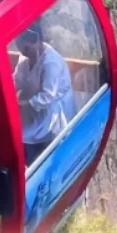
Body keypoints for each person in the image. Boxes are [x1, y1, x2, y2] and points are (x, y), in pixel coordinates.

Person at [14, 21, 75, 162]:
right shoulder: (25, 57)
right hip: (30, 105)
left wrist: (25, 104)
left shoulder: (51, 63)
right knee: (18, 133)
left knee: (33, 139)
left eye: (27, 49)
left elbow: (48, 96)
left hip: (50, 110)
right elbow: (18, 79)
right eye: (22, 49)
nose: (24, 52)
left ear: (37, 42)